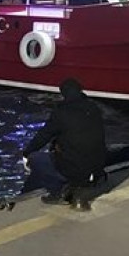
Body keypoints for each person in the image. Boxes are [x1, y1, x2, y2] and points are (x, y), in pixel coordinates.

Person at [23, 78, 107, 210]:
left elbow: (43, 136)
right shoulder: (93, 108)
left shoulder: (61, 113)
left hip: (75, 168)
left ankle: (59, 193)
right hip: (97, 165)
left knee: (36, 159)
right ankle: (78, 186)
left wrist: (27, 153)